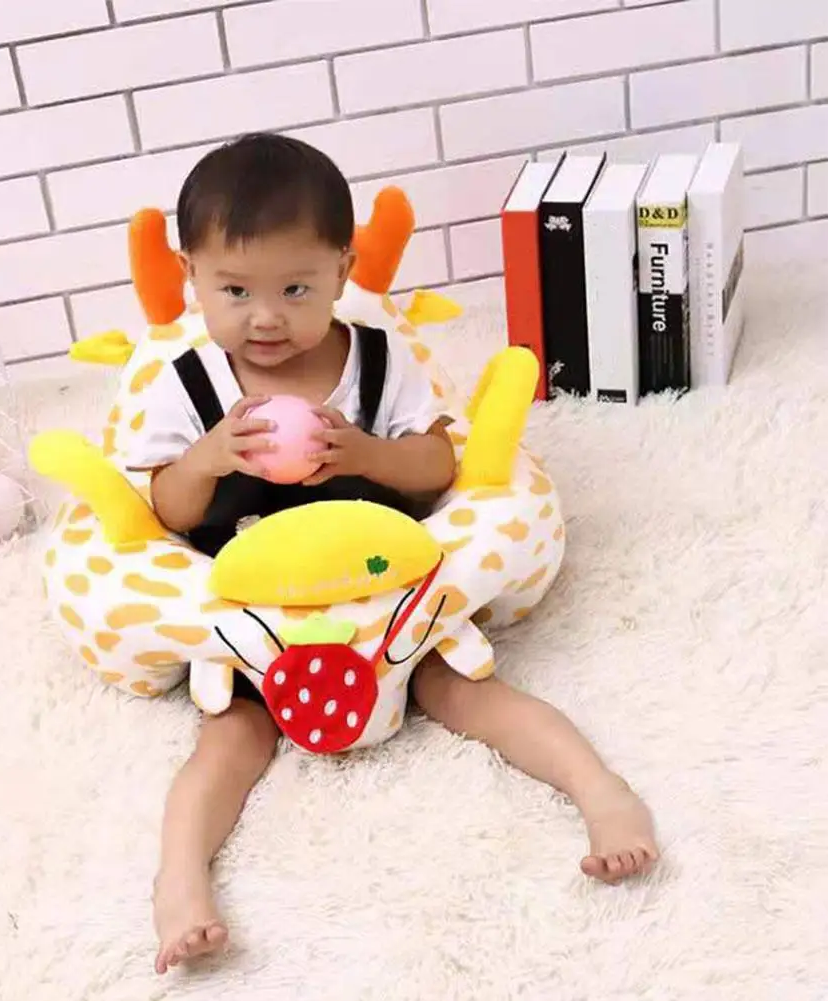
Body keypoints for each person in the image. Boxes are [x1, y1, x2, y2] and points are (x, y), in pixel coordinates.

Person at [126, 133, 659, 976]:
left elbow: (437, 465)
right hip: (268, 620)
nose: (265, 317)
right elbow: (167, 511)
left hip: (387, 604)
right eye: (234, 290)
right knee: (229, 739)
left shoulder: (377, 360)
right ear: (190, 275)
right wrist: (207, 457)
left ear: (343, 270)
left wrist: (368, 453)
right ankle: (180, 880)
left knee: (469, 691)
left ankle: (602, 792)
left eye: (295, 288)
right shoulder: (189, 385)